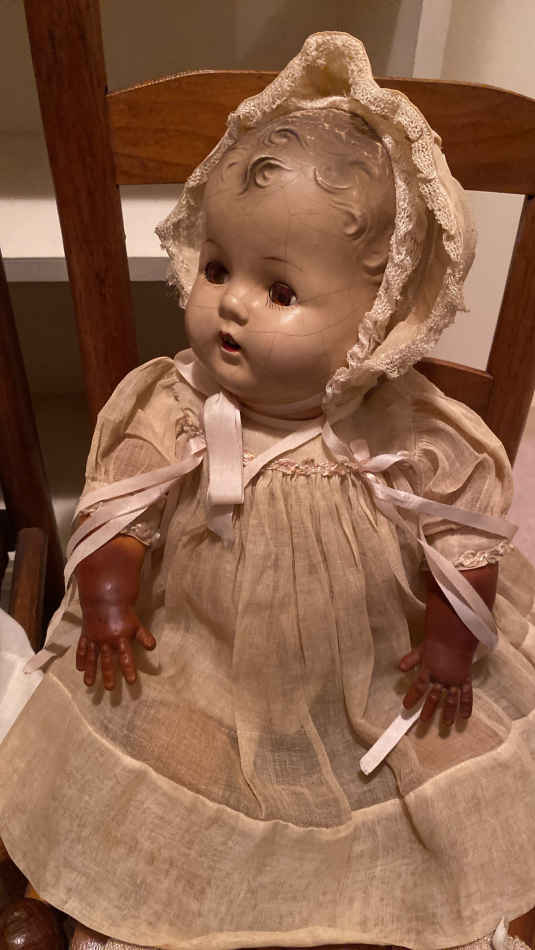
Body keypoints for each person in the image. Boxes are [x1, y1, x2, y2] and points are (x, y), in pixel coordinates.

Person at [1, 31, 535, 950]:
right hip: (200, 650)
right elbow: (119, 504)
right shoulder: (175, 403)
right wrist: (111, 589)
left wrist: (452, 639)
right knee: (163, 740)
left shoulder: (402, 428)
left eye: (279, 289)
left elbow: (463, 543)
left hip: (366, 663)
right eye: (217, 268)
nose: (232, 302)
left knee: (432, 754)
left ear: (376, 318)